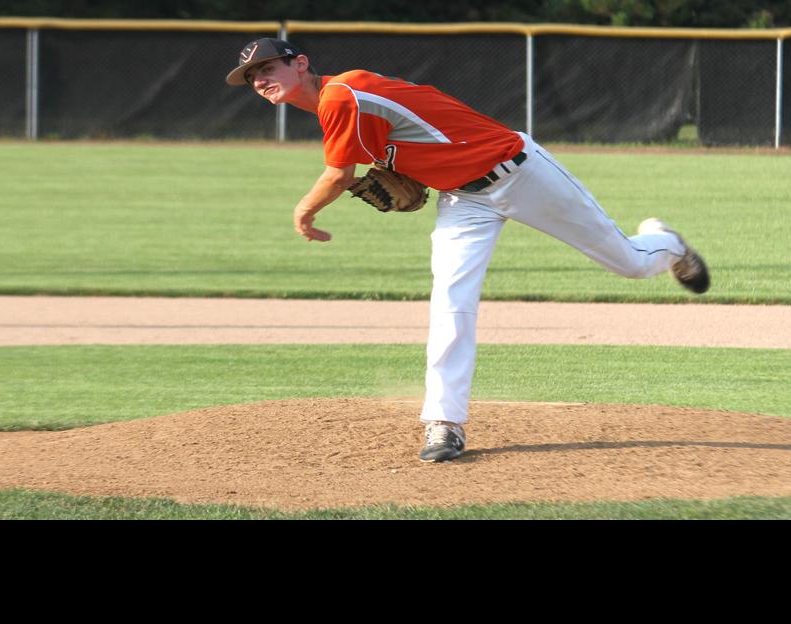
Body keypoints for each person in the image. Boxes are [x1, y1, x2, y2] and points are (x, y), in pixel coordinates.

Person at [227, 38, 709, 463]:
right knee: (451, 303)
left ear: (300, 64)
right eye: (252, 77)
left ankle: (667, 244)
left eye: (267, 68)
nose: (260, 80)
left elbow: (339, 177)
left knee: (627, 262)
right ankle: (445, 422)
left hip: (520, 173)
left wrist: (303, 213)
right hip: (463, 200)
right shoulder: (340, 102)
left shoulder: (340, 95)